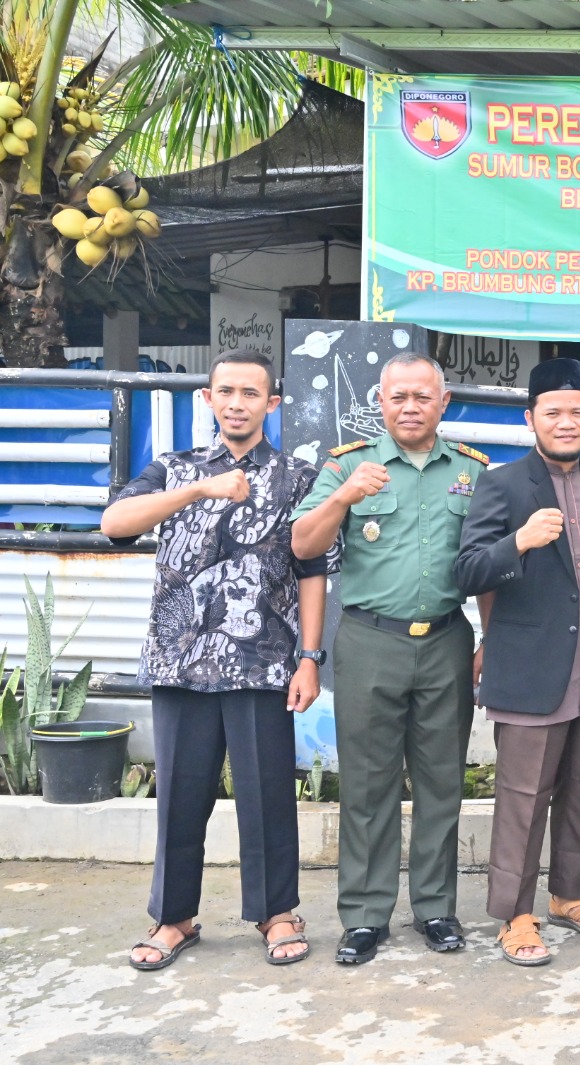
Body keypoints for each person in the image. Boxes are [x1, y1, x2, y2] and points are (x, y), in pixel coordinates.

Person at [102, 350, 334, 970]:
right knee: (180, 795)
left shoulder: (296, 478)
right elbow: (114, 523)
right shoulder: (173, 467)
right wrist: (199, 489)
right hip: (181, 664)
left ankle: (275, 911)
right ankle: (174, 917)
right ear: (207, 398)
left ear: (272, 403)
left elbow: (313, 571)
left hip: (262, 663)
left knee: (266, 795)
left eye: (250, 393)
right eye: (225, 391)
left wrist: (310, 658)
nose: (237, 402)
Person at [291, 353, 490, 965]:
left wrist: (491, 640)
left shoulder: (473, 473)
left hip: (447, 642)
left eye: (421, 397)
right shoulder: (349, 466)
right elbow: (304, 543)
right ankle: (365, 915)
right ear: (380, 403)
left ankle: (435, 908)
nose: (410, 407)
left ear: (444, 402)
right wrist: (345, 496)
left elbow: (486, 560)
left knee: (440, 783)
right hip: (370, 641)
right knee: (368, 784)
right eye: (398, 397)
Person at [454, 358, 580, 966]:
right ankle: (515, 911)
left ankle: (569, 896)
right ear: (531, 418)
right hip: (530, 668)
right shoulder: (502, 485)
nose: (565, 422)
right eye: (552, 412)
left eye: (576, 412)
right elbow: (468, 570)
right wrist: (520, 541)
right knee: (523, 795)